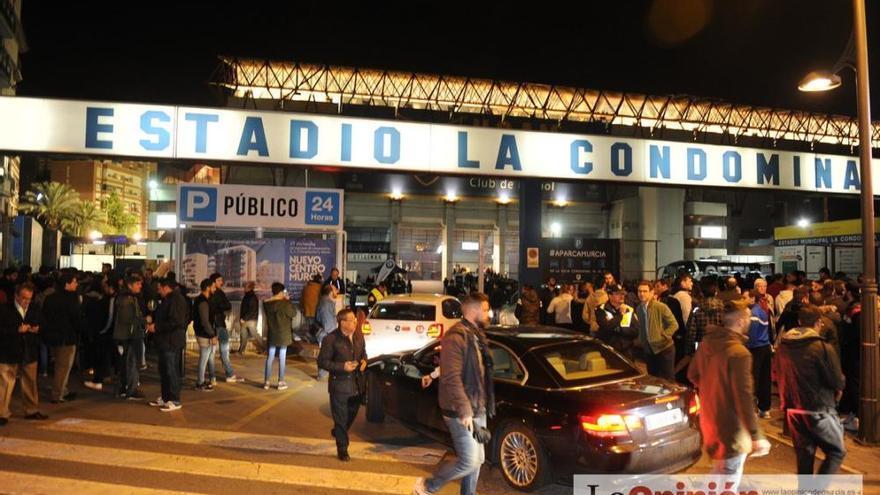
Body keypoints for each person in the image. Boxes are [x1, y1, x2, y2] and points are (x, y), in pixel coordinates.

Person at [414, 293, 494, 495]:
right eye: (484, 310)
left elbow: (457, 366)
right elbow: (451, 376)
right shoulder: (456, 336)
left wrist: (432, 374)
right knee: (469, 461)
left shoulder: (475, 335)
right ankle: (427, 486)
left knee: (478, 460)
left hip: (477, 405)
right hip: (460, 409)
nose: (488, 314)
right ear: (473, 310)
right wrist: (465, 410)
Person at [687, 299, 771, 484]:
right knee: (727, 480)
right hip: (731, 429)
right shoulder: (739, 353)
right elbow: (743, 397)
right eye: (748, 317)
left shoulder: (707, 343)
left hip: (710, 421)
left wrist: (713, 390)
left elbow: (692, 374)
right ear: (740, 321)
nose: (750, 321)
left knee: (719, 474)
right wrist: (756, 435)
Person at [776, 307, 847, 474]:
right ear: (818, 323)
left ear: (800, 322)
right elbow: (836, 380)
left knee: (805, 455)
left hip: (793, 408)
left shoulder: (784, 346)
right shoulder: (822, 347)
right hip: (819, 408)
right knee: (836, 451)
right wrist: (840, 386)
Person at [317, 308, 367, 462]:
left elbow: (363, 352)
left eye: (355, 320)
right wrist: (342, 367)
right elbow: (322, 362)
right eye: (352, 320)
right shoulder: (331, 339)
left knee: (350, 416)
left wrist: (364, 361)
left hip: (357, 385)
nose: (355, 322)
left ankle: (339, 431)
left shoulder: (358, 336)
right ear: (342, 322)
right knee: (341, 418)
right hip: (339, 386)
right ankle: (342, 449)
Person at [0, 282, 48, 425]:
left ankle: (31, 410)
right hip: (9, 351)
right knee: (5, 383)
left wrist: (37, 329)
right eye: (23, 298)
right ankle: (2, 413)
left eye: (29, 298)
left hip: (29, 350)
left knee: (30, 382)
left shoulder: (34, 308)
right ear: (16, 296)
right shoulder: (5, 309)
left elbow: (43, 324)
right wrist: (16, 329)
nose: (26, 302)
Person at [41, 270, 82, 404]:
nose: (76, 284)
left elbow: (45, 317)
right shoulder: (71, 299)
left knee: (60, 365)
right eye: (74, 282)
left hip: (52, 337)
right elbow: (76, 319)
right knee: (63, 367)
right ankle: (58, 394)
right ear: (67, 284)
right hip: (67, 337)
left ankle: (62, 390)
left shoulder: (50, 298)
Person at [148, 277, 188, 412]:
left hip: (171, 341)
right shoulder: (168, 299)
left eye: (160, 288)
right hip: (165, 341)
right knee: (164, 370)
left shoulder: (176, 300)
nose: (158, 291)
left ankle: (175, 399)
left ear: (166, 288)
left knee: (171, 371)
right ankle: (166, 397)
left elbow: (175, 321)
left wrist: (157, 327)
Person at [635, 281, 678, 381]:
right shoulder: (639, 309)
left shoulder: (660, 307)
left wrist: (663, 336)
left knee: (668, 380)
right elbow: (642, 327)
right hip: (649, 350)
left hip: (664, 349)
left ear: (651, 292)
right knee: (653, 379)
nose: (641, 294)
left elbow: (674, 324)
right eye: (639, 291)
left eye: (645, 291)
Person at [113, 274, 147, 400]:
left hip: (126, 336)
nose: (140, 286)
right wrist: (144, 320)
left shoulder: (128, 297)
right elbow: (128, 318)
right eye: (138, 284)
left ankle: (124, 389)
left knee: (126, 364)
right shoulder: (127, 299)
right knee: (132, 363)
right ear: (130, 285)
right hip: (129, 336)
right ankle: (130, 391)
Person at [743, 289, 774, 419]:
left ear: (752, 298)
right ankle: (765, 408)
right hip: (765, 347)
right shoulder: (762, 311)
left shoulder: (753, 314)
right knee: (765, 379)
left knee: (753, 379)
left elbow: (753, 335)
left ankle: (752, 410)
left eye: (744, 297)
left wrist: (745, 344)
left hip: (756, 349)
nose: (742, 300)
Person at [83, 278, 116, 392]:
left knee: (100, 356)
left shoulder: (109, 300)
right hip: (108, 333)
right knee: (106, 356)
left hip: (104, 333)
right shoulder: (111, 299)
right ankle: (105, 375)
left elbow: (109, 318)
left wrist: (102, 330)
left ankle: (98, 380)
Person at [263, 282, 296, 390]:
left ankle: (266, 382)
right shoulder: (285, 304)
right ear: (281, 292)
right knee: (282, 357)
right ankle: (281, 381)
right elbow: (293, 313)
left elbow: (268, 301)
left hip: (272, 334)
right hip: (283, 334)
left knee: (270, 357)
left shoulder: (267, 304)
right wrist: (288, 300)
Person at [209, 274, 242, 383]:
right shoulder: (219, 293)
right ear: (213, 282)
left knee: (212, 353)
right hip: (219, 324)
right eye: (219, 280)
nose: (221, 283)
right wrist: (220, 307)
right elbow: (228, 305)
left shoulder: (208, 294)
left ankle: (212, 376)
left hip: (211, 326)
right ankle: (229, 374)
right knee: (223, 351)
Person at [595, 284, 639, 358]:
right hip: (609, 350)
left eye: (622, 293)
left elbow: (636, 331)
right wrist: (620, 315)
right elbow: (606, 327)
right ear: (610, 296)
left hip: (627, 351)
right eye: (617, 294)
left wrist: (620, 329)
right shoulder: (601, 309)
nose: (621, 296)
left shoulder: (629, 309)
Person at [193, 279, 217, 391]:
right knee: (204, 358)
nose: (215, 289)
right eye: (213, 287)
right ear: (207, 288)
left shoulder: (202, 300)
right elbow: (205, 320)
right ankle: (200, 382)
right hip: (204, 334)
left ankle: (201, 381)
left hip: (203, 332)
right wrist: (212, 334)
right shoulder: (203, 301)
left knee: (205, 357)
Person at [315, 285, 338, 379]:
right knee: (327, 354)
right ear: (330, 292)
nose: (337, 290)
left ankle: (322, 373)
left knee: (326, 353)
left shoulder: (323, 301)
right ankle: (322, 374)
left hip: (324, 332)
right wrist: (333, 333)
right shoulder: (327, 303)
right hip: (327, 333)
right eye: (335, 289)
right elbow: (328, 322)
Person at [238, 281, 264, 355]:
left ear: (249, 287)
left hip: (249, 319)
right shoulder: (250, 296)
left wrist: (243, 318)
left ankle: (263, 348)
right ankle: (241, 351)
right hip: (249, 319)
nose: (244, 287)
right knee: (245, 335)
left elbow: (251, 309)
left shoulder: (250, 297)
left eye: (245, 286)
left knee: (251, 334)